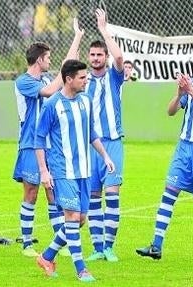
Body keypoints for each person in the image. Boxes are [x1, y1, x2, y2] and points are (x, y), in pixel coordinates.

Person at [135, 45, 193, 262]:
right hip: (184, 147)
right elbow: (171, 111)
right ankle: (156, 245)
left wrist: (190, 90)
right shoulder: (191, 84)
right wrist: (179, 93)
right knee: (169, 193)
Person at [34, 59, 114, 282]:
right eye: (82, 77)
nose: (86, 80)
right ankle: (81, 269)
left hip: (84, 171)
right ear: (69, 79)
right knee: (72, 216)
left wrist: (105, 156)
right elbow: (38, 139)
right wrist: (43, 171)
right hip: (62, 170)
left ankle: (47, 256)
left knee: (79, 221)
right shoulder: (52, 105)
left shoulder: (86, 101)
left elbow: (91, 134)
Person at [13, 18, 83, 257]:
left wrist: (77, 38)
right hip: (31, 144)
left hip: (50, 146)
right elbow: (52, 89)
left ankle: (57, 242)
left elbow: (65, 69)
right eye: (48, 58)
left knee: (53, 193)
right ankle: (26, 243)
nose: (50, 61)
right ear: (40, 59)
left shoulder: (45, 78)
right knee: (31, 192)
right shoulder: (23, 81)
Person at [85, 8, 125, 262]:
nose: (96, 58)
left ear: (106, 57)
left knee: (112, 194)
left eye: (100, 54)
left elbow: (120, 56)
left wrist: (103, 30)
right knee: (93, 198)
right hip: (90, 145)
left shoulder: (114, 77)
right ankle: (97, 248)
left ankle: (109, 246)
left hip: (112, 142)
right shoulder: (81, 79)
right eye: (93, 54)